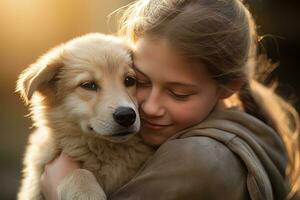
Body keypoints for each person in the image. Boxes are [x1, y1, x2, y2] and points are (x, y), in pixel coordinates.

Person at [40, 0, 300, 199]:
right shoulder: (252, 130)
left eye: (178, 93)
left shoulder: (196, 160)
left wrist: (57, 189)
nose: (148, 108)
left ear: (228, 87)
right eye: (140, 81)